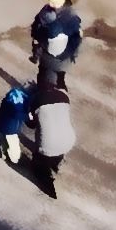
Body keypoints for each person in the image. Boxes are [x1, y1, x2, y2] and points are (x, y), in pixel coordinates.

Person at [29, 66, 74, 198]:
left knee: (38, 164)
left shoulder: (36, 100)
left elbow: (30, 124)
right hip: (68, 142)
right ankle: (55, 163)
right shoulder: (64, 96)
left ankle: (45, 178)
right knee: (55, 134)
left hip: (48, 146)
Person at [30, 0, 83, 83]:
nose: (52, 4)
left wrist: (73, 54)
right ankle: (46, 89)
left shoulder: (69, 16)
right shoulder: (47, 11)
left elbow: (76, 37)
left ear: (62, 2)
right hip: (48, 53)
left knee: (55, 76)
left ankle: (54, 89)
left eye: (56, 2)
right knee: (44, 74)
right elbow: (37, 25)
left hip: (59, 56)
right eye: (51, 1)